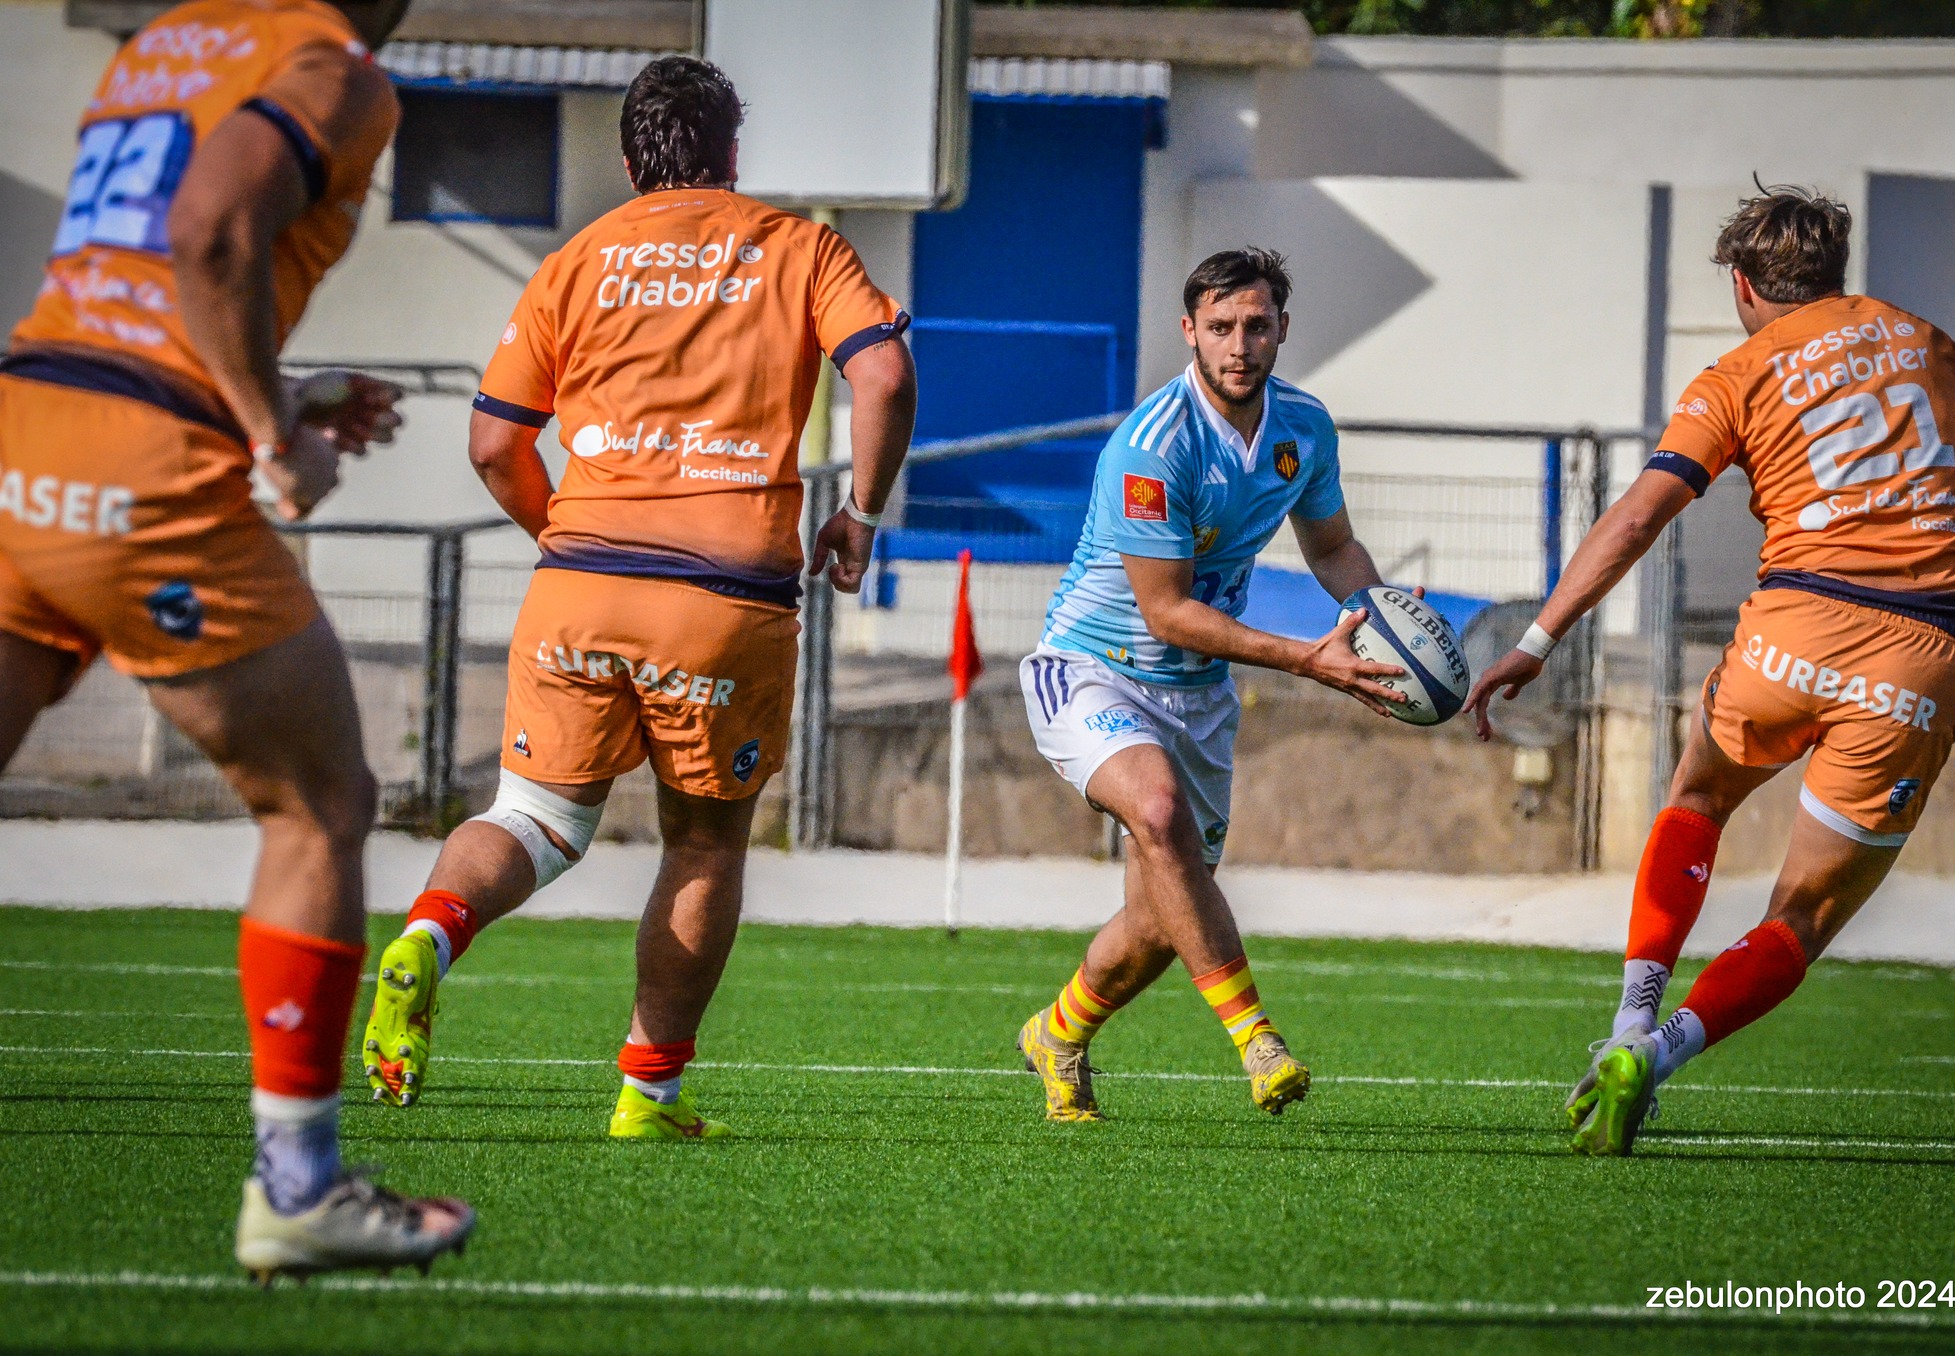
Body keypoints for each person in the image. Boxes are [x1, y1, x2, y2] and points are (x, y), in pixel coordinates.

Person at [0, 0, 476, 1280]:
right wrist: (275, 434)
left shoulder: (168, 39)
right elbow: (211, 228)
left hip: (28, 425)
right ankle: (300, 1190)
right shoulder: (337, 68)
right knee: (319, 800)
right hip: (146, 473)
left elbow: (141, 277)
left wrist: (281, 383)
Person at [359, 55, 916, 1141]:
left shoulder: (576, 261)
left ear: (628, 160)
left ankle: (431, 929)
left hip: (579, 584)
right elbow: (883, 376)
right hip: (723, 595)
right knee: (703, 843)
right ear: (731, 155)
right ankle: (647, 1093)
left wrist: (566, 538)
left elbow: (491, 441)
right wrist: (860, 514)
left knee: (532, 816)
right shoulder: (797, 244)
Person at [1466, 185, 1955, 1156]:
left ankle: (1623, 1020)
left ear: (1742, 287)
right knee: (1804, 914)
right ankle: (1652, 1057)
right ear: (1832, 274)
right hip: (1919, 658)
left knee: (1694, 797)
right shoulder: (1922, 341)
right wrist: (1945, 537)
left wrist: (1536, 641)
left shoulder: (1733, 373)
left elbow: (1636, 518)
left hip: (1791, 631)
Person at [1014, 248, 1408, 1122]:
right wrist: (1307, 659)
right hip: (1091, 668)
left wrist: (1386, 624)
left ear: (1282, 330)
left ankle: (1059, 1033)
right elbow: (1167, 612)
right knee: (1158, 814)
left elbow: (1333, 547)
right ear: (1188, 331)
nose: (1240, 345)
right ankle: (1257, 1041)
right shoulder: (1152, 446)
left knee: (1160, 920)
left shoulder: (1303, 427)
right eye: (1221, 327)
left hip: (1196, 697)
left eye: (1257, 325)